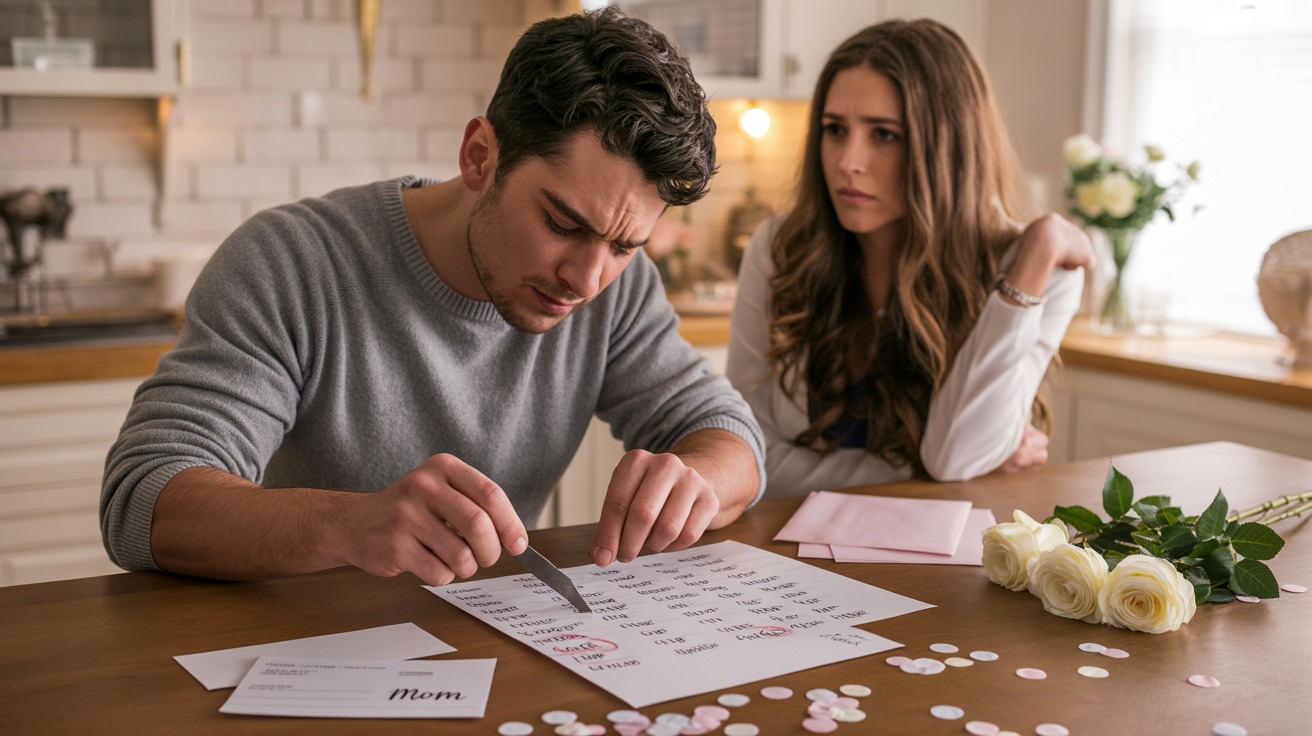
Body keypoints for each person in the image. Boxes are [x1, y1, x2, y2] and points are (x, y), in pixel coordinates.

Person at [101, 8, 765, 587]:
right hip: (294, 651)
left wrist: (696, 481)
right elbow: (143, 498)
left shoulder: (614, 293)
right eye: (564, 225)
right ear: (479, 156)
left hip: (488, 644)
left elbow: (731, 440)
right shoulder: (290, 262)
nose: (587, 280)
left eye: (625, 246)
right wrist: (350, 525)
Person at [726, 19, 1092, 498]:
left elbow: (954, 455)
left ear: (947, 148)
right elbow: (748, 456)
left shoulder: (1039, 271)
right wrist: (927, 474)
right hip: (788, 554)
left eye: (883, 135)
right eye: (835, 129)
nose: (846, 161)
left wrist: (1039, 247)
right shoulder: (779, 247)